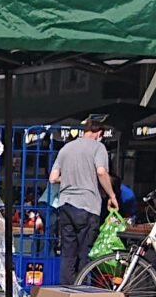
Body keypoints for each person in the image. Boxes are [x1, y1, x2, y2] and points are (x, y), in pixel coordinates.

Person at [48, 116, 118, 287]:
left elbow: (52, 178)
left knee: (68, 253)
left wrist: (70, 178)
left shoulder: (66, 148)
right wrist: (112, 195)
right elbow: (101, 172)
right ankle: (82, 292)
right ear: (99, 133)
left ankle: (66, 291)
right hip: (88, 205)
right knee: (85, 253)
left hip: (65, 204)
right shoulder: (98, 147)